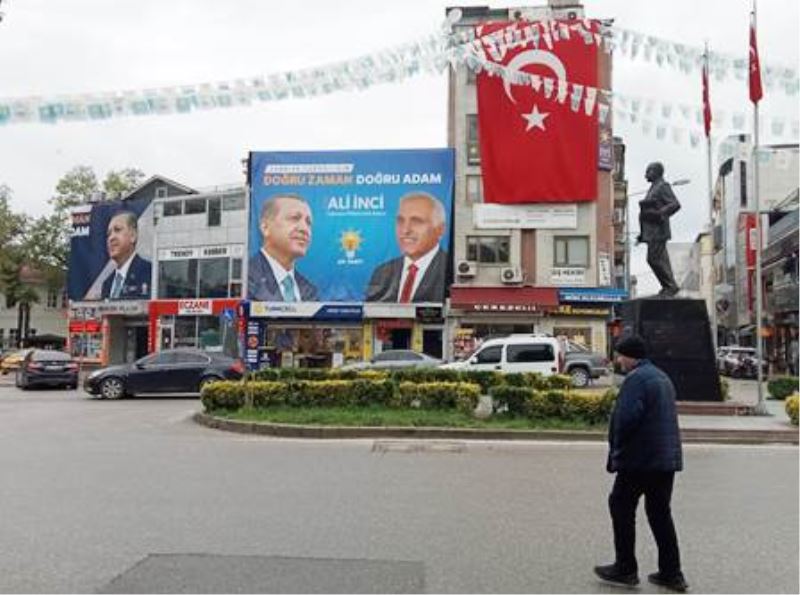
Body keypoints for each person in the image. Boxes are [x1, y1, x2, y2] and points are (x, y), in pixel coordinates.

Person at [595, 335, 689, 593]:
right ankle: (672, 573)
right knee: (660, 514)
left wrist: (617, 448)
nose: (618, 360)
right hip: (665, 460)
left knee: (621, 506)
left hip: (640, 459)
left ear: (629, 356)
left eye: (619, 355)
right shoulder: (661, 377)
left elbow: (625, 419)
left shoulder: (636, 380)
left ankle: (625, 567)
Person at [366, 191, 448, 303]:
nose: (405, 230)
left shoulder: (448, 268)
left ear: (440, 229)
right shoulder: (382, 272)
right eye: (400, 221)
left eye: (416, 221)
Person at [248, 193, 318, 302]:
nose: (304, 229)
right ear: (265, 228)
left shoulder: (309, 290)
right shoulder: (247, 278)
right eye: (294, 218)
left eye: (308, 223)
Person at [637, 162, 681, 297]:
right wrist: (642, 234)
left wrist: (660, 213)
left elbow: (675, 204)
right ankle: (669, 286)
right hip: (651, 232)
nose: (645, 175)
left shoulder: (663, 186)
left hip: (658, 231)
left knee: (653, 259)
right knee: (661, 260)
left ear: (656, 172)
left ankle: (670, 286)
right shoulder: (653, 187)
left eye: (648, 171)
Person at [101, 211, 152, 300]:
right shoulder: (107, 283)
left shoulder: (150, 272)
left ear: (133, 236)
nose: (111, 238)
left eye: (117, 230)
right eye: (108, 234)